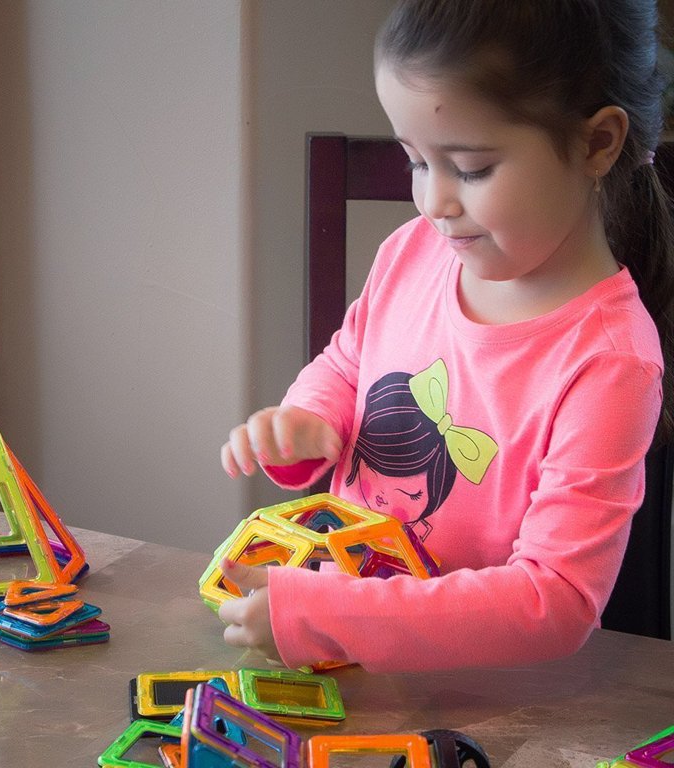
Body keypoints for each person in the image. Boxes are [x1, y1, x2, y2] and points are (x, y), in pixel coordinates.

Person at [218, 0, 674, 672]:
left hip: (483, 698)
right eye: (416, 162)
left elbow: (556, 600)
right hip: (351, 662)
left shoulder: (610, 361)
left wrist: (329, 617)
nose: (432, 202)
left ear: (597, 143)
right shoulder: (414, 253)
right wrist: (308, 419)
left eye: (472, 168)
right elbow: (347, 365)